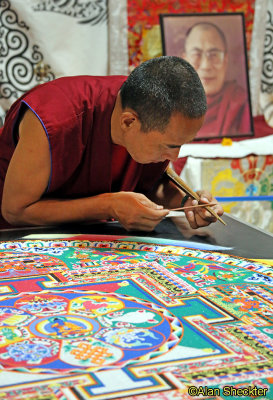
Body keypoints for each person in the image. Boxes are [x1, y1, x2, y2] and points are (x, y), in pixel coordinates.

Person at [0, 56, 223, 231]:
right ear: (128, 122)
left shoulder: (142, 108)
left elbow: (153, 185)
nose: (174, 158)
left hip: (92, 242)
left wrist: (186, 202)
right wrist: (109, 205)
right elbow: (15, 211)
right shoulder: (56, 120)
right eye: (170, 146)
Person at [182, 22, 251, 139]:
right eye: (196, 54)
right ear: (184, 61)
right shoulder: (173, 107)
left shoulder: (241, 103)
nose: (206, 66)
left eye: (214, 55)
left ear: (225, 60)